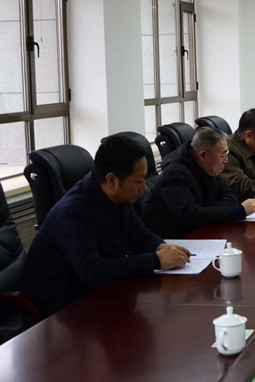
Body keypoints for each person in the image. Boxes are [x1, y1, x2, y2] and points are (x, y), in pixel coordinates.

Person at [21, 135, 191, 315]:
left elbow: (138, 234)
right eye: (138, 181)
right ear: (111, 181)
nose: (144, 188)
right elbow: (93, 271)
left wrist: (161, 247)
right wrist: (156, 260)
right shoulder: (73, 213)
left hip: (99, 295)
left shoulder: (118, 196)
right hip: (61, 312)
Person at [144, 127, 255, 238]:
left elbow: (230, 195)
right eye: (222, 155)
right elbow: (190, 215)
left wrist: (207, 213)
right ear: (203, 155)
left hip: (201, 231)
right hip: (172, 240)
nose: (226, 160)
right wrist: (238, 211)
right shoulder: (174, 174)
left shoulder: (208, 166)